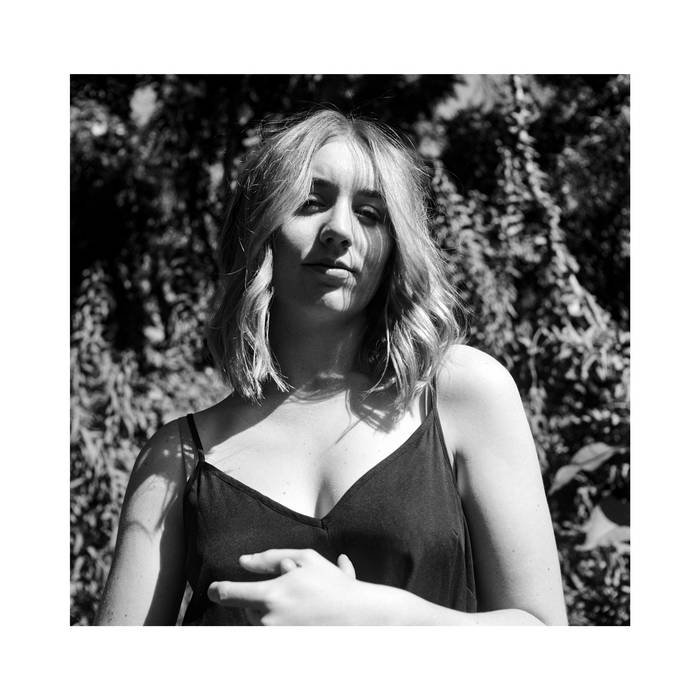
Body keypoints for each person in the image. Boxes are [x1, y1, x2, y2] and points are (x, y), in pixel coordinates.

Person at [96, 110, 568, 625]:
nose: (340, 230)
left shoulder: (462, 393)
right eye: (310, 202)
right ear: (258, 230)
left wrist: (373, 614)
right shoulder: (178, 458)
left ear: (395, 247)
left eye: (370, 213)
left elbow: (542, 631)